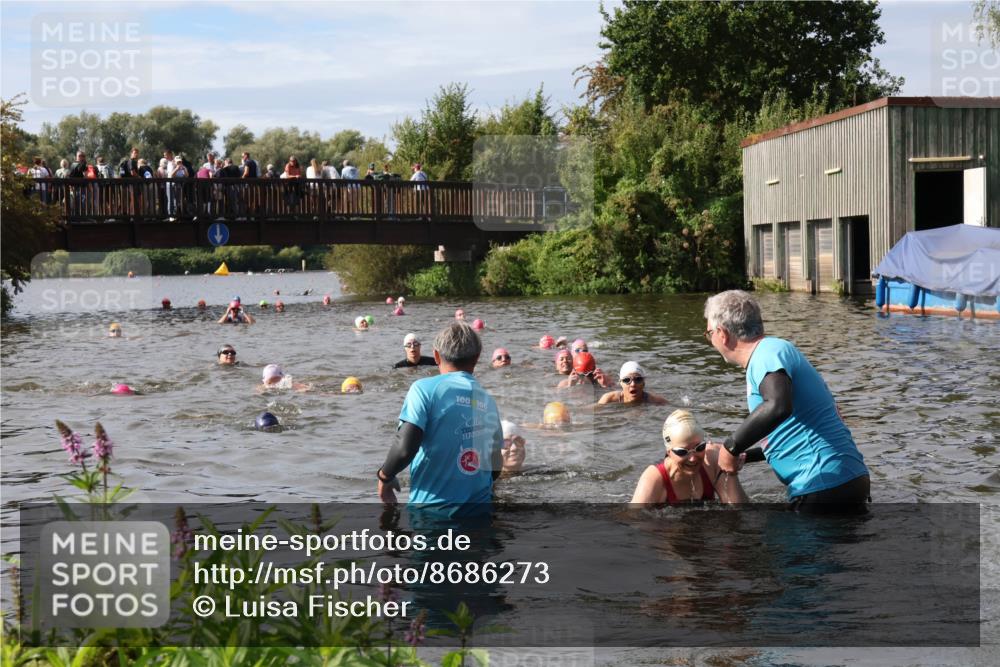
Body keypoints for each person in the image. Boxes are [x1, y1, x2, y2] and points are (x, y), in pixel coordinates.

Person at [704, 290, 870, 511]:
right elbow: (793, 433)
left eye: (708, 333)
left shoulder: (766, 353)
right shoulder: (772, 353)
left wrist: (730, 447)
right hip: (840, 480)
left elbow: (777, 406)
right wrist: (746, 456)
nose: (711, 340)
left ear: (722, 333)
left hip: (822, 483)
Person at [377, 321, 503, 512]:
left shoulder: (424, 389)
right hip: (480, 512)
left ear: (436, 355)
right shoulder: (487, 400)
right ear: (477, 358)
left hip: (432, 511)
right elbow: (495, 467)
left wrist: (384, 477)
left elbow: (404, 448)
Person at [630, 410, 749, 505]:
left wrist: (732, 473)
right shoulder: (654, 479)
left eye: (700, 448)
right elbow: (635, 526)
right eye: (682, 452)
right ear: (669, 451)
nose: (693, 458)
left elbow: (738, 512)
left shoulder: (713, 459)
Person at [597, 361, 669, 405]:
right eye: (627, 380)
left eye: (638, 379)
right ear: (621, 383)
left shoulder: (655, 401)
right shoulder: (609, 399)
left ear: (643, 383)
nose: (633, 384)